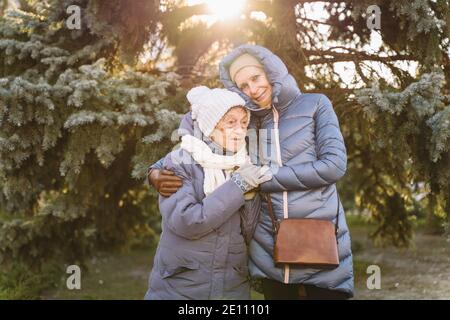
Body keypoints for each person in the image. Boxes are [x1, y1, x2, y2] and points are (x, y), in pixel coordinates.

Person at [149, 44, 354, 299]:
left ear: (271, 71)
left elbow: (334, 165)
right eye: (243, 86)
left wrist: (259, 179)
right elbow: (197, 131)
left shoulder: (315, 105)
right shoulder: (247, 119)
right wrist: (155, 172)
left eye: (255, 78)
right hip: (269, 249)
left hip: (318, 239)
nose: (253, 90)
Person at [144, 86, 272, 300]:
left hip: (231, 287)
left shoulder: (244, 163)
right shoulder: (179, 162)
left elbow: (247, 232)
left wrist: (251, 197)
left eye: (243, 123)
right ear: (209, 125)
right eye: (230, 122)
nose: (240, 130)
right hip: (182, 286)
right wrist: (238, 186)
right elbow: (188, 221)